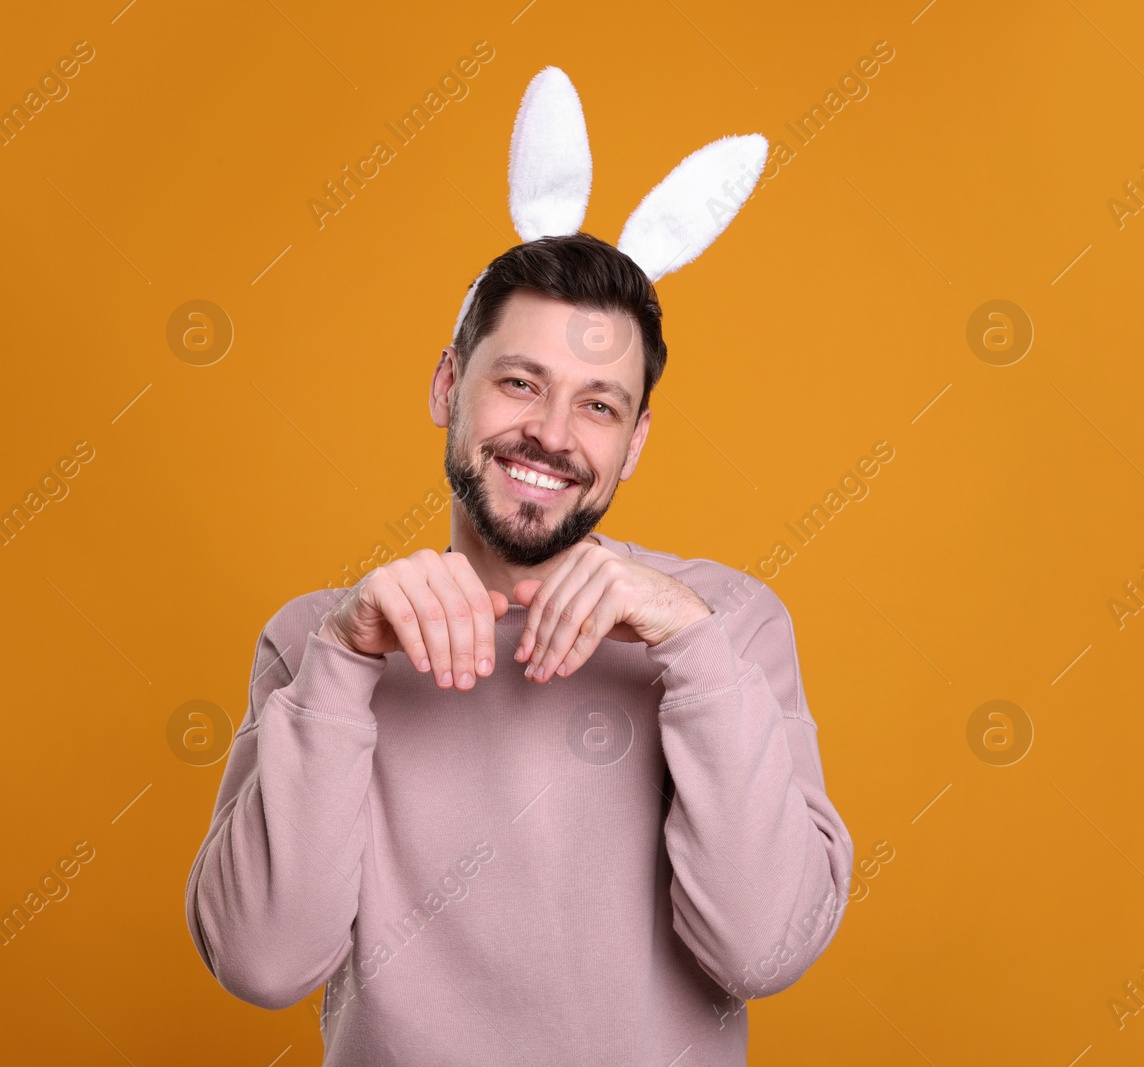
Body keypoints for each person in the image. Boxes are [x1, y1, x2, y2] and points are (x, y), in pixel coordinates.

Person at [184, 233, 854, 1065]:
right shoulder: (319, 641)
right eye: (519, 383)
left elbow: (763, 949)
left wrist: (693, 649)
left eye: (598, 406)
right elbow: (262, 961)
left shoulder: (729, 623)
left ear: (635, 442)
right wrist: (345, 661)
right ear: (447, 385)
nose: (550, 433)